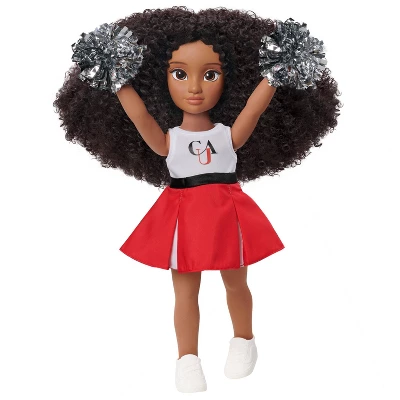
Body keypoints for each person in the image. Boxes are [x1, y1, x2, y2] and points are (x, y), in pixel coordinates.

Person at [54, 6, 341, 393]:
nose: (194, 88)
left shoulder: (226, 136)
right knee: (185, 292)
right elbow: (140, 118)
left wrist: (276, 71)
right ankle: (187, 359)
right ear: (161, 81)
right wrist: (117, 77)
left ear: (229, 79)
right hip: (182, 215)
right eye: (179, 74)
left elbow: (255, 108)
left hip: (226, 212)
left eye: (210, 74)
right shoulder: (169, 141)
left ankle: (244, 339)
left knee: (235, 283)